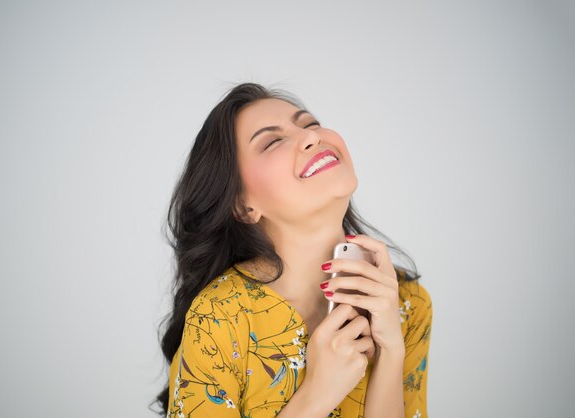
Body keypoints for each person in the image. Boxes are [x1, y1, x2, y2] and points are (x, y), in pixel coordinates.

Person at [152, 82, 432, 418]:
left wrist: (390, 353)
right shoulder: (219, 317)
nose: (312, 137)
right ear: (242, 205)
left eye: (310, 124)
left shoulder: (407, 305)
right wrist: (316, 395)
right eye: (272, 141)